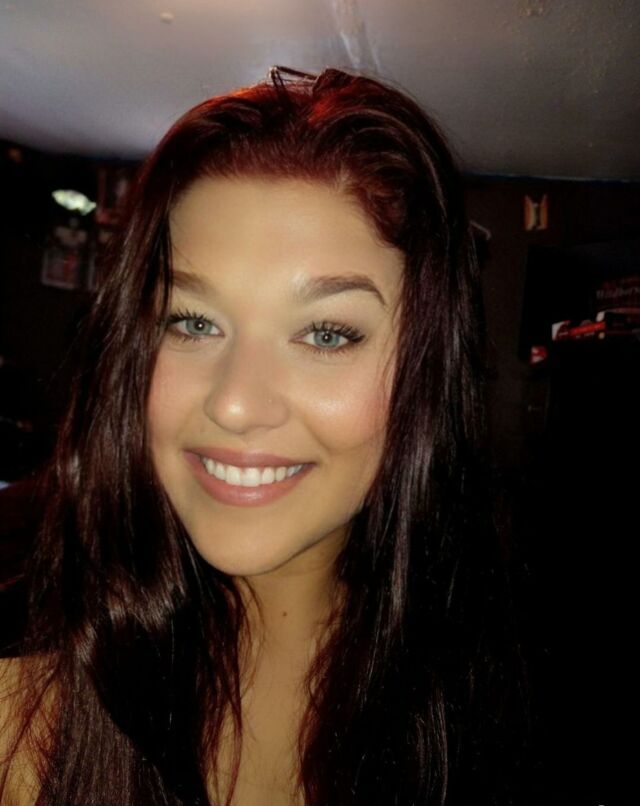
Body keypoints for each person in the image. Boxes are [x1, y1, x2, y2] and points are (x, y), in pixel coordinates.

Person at [0, 66, 525, 805]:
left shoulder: (496, 713)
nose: (237, 405)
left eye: (326, 333)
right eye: (193, 322)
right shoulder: (20, 715)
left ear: (425, 373)